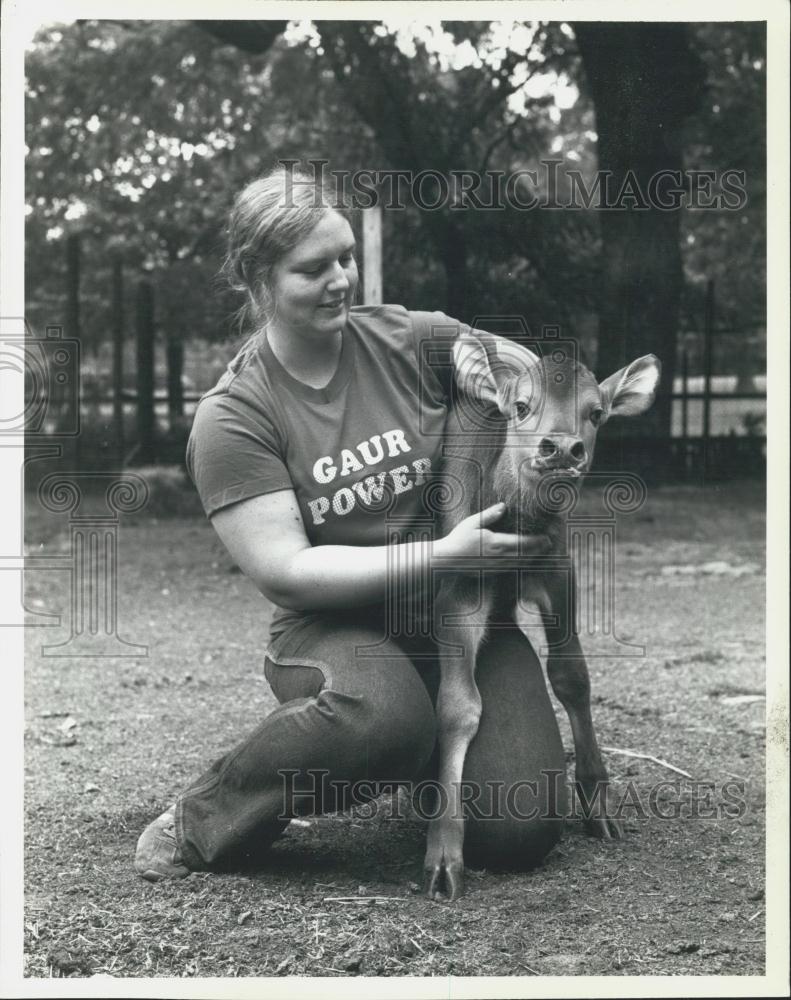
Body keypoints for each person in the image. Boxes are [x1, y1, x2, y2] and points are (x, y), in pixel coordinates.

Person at [134, 166, 567, 888]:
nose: (340, 280)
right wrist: (444, 551)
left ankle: (435, 761)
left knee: (517, 830)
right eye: (313, 268)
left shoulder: (408, 338)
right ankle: (204, 816)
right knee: (384, 719)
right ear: (256, 277)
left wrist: (487, 393)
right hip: (335, 627)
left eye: (345, 257)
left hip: (457, 618)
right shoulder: (235, 415)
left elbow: (535, 379)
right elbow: (286, 569)